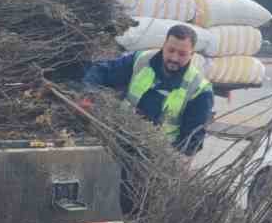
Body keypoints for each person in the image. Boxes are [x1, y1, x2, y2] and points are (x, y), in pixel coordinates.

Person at [83, 24, 214, 155]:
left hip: (156, 155)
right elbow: (102, 71)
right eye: (170, 50)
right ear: (163, 46)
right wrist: (88, 94)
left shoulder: (199, 89)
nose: (174, 58)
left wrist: (169, 158)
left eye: (182, 54)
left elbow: (191, 141)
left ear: (192, 54)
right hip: (120, 137)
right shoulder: (141, 60)